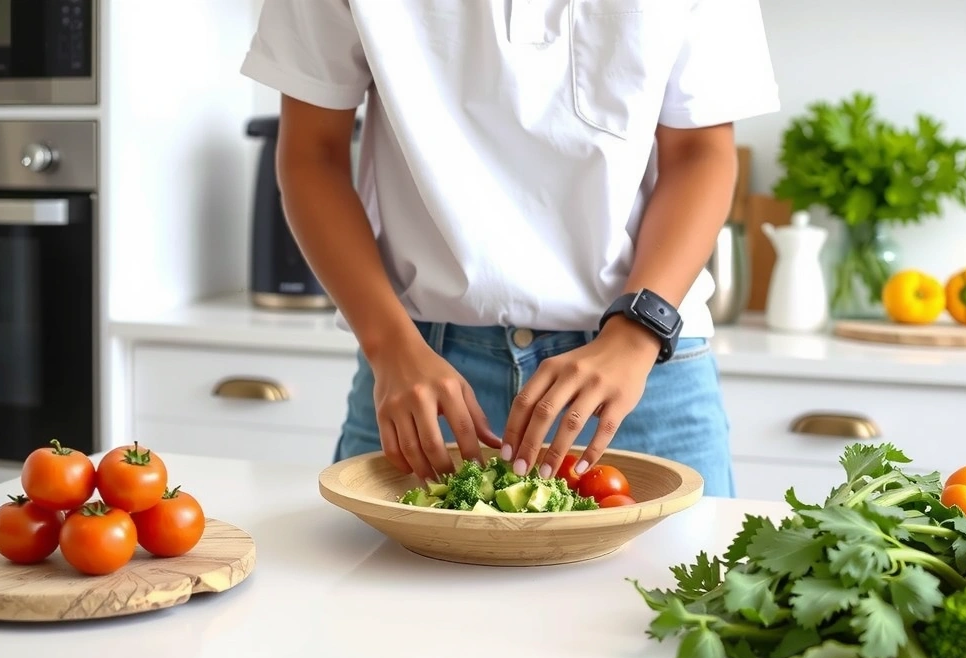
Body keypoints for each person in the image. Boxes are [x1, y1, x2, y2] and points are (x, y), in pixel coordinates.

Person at [240, 0, 780, 498]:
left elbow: (701, 154)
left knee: (693, 598)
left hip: (642, 368)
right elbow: (312, 155)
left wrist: (638, 335)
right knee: (371, 600)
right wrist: (389, 348)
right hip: (421, 369)